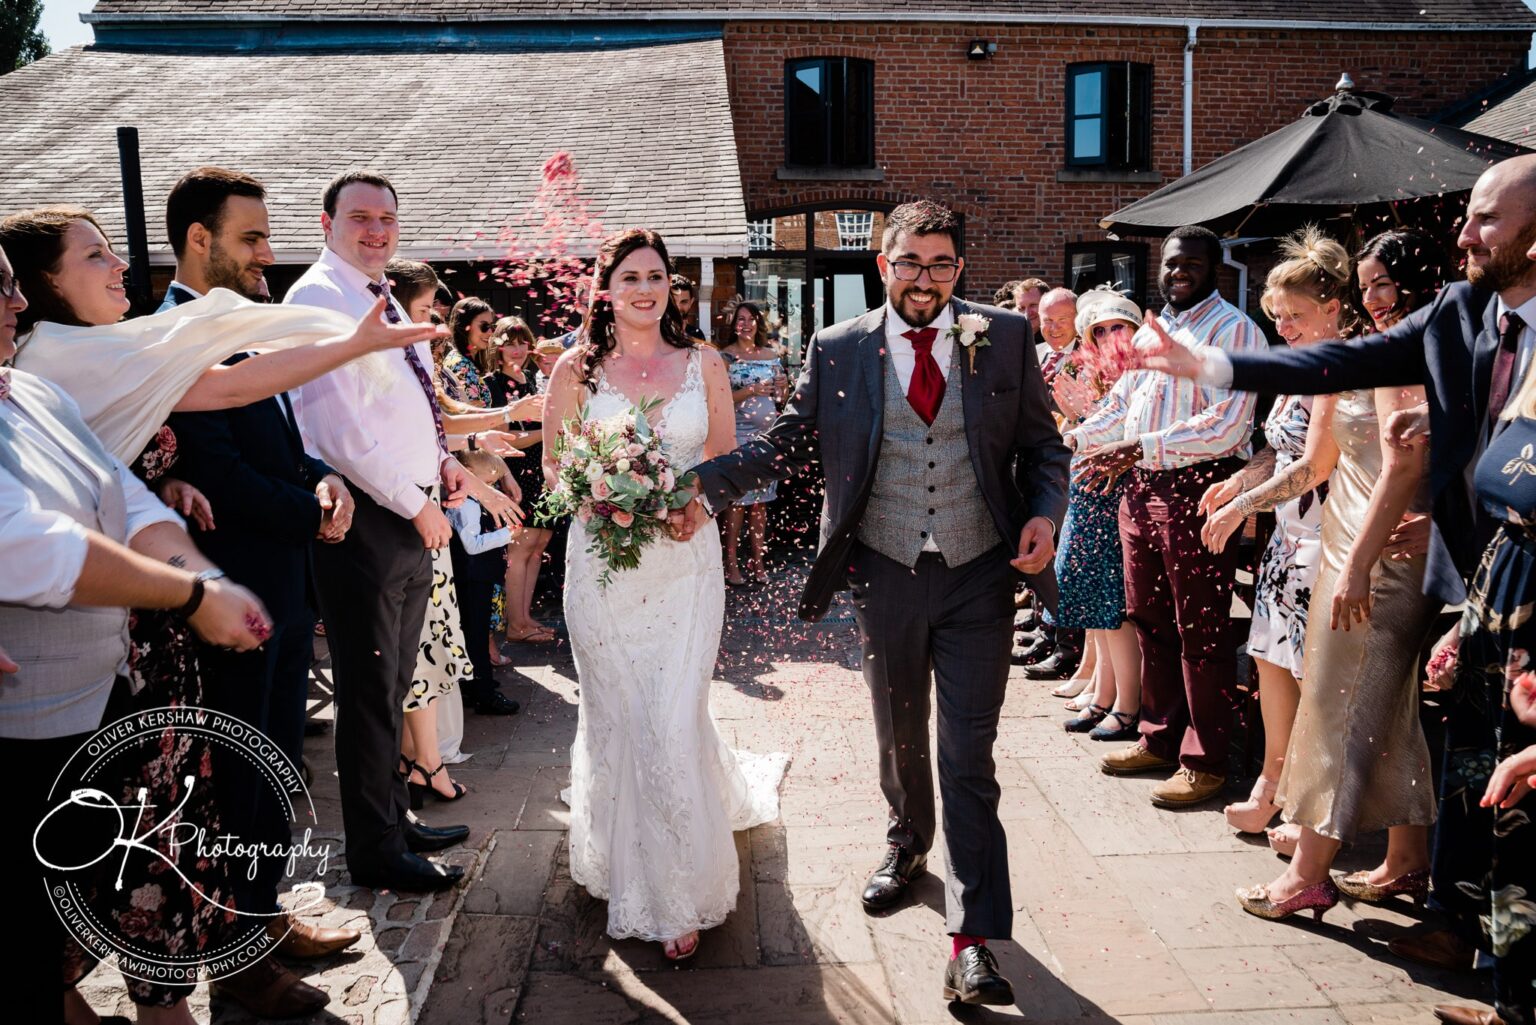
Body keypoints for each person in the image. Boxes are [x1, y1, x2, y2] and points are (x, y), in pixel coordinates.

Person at [3, 204, 444, 1020]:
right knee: (135, 839)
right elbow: (222, 390)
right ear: (42, 284)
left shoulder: (72, 362)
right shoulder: (60, 354)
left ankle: (207, 953)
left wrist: (171, 507)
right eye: (95, 257)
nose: (116, 268)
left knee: (169, 830)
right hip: (109, 638)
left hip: (168, 619)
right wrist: (351, 343)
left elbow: (121, 484)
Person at [1142, 158, 1536, 1025]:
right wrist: (1210, 366)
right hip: (1482, 573)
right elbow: (1342, 368)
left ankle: (1425, 923)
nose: (1465, 237)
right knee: (1472, 755)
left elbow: (1417, 454)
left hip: (1441, 562)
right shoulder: (1464, 310)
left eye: (1486, 221)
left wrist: (1402, 525)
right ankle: (1484, 952)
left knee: (1448, 745)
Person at [678, 199, 1070, 1005]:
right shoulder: (838, 348)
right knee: (898, 732)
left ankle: (972, 940)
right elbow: (788, 445)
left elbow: (1044, 446)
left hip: (979, 572)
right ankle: (906, 842)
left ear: (959, 267)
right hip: (883, 569)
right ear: (880, 264)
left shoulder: (1005, 335)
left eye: (941, 264)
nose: (924, 278)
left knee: (968, 755)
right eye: (909, 262)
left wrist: (1044, 512)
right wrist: (700, 484)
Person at [0, 242, 273, 1025]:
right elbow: (38, 547)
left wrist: (204, 580)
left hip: (109, 682)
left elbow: (125, 497)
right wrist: (191, 591)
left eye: (16, 288)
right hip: (33, 712)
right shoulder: (50, 363)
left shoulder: (31, 394)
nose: (16, 306)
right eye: (3, 289)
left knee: (139, 839)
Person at [543, 227, 789, 962]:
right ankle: (628, 867)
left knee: (673, 713)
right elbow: (557, 469)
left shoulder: (704, 361)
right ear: (606, 290)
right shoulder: (574, 370)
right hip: (604, 568)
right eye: (630, 278)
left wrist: (687, 500)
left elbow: (723, 458)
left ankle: (679, 886)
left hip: (685, 560)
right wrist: (596, 492)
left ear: (669, 287)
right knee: (620, 712)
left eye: (655, 276)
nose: (644, 288)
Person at [156, 167, 363, 1008]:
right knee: (238, 778)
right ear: (198, 240)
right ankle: (238, 962)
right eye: (252, 238)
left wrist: (324, 479)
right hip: (227, 599)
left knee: (278, 762)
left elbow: (280, 448)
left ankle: (265, 913)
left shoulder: (236, 331)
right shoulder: (171, 338)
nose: (268, 254)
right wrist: (309, 513)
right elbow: (220, 477)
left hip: (279, 589)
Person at [285, 169, 484, 893]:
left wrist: (442, 464)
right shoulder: (316, 298)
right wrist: (416, 501)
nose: (377, 230)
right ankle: (374, 850)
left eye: (387, 218)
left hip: (409, 511)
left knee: (396, 683)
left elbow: (407, 402)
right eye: (361, 217)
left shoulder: (385, 295)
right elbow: (338, 430)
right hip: (364, 523)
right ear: (326, 222)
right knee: (369, 692)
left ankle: (397, 820)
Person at [1069, 225, 1267, 808]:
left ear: (1216, 270)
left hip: (1199, 490)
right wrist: (1074, 441)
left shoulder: (1236, 332)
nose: (1180, 273)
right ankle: (1159, 738)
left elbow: (1230, 427)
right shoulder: (1157, 331)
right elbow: (1120, 407)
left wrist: (1138, 449)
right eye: (1172, 264)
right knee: (1149, 618)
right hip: (1139, 490)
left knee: (1199, 629)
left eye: (1193, 266)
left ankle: (1205, 762)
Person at [1055, 290, 1142, 741]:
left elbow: (1131, 429)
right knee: (1093, 596)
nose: (1110, 337)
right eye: (1100, 330)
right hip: (1090, 486)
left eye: (1118, 326)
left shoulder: (1145, 370)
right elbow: (1086, 424)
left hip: (1119, 492)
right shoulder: (1091, 373)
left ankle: (1123, 702)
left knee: (1114, 603)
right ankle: (1102, 691)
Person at [483, 316, 555, 644]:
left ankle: (525, 619)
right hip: (517, 473)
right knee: (519, 549)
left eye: (522, 342)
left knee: (538, 547)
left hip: (541, 470)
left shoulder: (530, 382)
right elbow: (504, 438)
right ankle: (515, 625)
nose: (517, 349)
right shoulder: (493, 384)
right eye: (509, 343)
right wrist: (550, 430)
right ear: (497, 347)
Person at [447, 450, 519, 733]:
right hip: (473, 577)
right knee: (475, 634)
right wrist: (507, 534)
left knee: (472, 632)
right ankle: (484, 692)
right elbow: (473, 544)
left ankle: (473, 683)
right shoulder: (469, 505)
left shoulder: (471, 500)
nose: (493, 476)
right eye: (488, 473)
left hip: (475, 576)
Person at [720, 300, 787, 587]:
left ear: (759, 323)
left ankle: (759, 563)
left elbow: (780, 400)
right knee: (737, 502)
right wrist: (751, 390)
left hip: (766, 437)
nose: (744, 324)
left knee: (760, 505)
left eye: (749, 319)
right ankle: (731, 563)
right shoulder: (725, 357)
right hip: (737, 436)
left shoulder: (772, 355)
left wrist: (783, 389)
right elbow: (719, 399)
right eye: (739, 319)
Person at [672, 272, 707, 342]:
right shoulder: (652, 332)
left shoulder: (697, 335)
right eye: (673, 302)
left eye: (684, 302)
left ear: (691, 303)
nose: (678, 307)